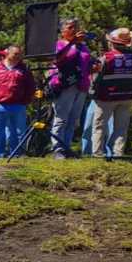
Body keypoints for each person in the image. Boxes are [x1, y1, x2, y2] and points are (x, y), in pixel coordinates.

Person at [46, 18, 93, 159]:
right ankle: (57, 148)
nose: (74, 30)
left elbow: (86, 63)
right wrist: (72, 43)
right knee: (61, 118)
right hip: (64, 85)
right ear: (63, 31)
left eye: (76, 27)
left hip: (81, 85)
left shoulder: (83, 46)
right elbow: (56, 59)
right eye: (71, 27)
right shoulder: (59, 45)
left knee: (73, 119)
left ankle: (66, 147)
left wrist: (93, 66)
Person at [91, 27, 132, 158]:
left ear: (112, 43)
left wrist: (93, 93)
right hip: (127, 96)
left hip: (106, 98)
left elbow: (96, 78)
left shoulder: (106, 58)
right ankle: (118, 153)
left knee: (99, 126)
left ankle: (97, 154)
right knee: (121, 127)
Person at [0, 45, 36, 158]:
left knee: (18, 133)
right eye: (15, 54)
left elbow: (31, 87)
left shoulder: (24, 69)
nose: (18, 57)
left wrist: (25, 101)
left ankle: (17, 155)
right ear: (7, 53)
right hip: (0, 106)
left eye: (19, 54)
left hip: (18, 106)